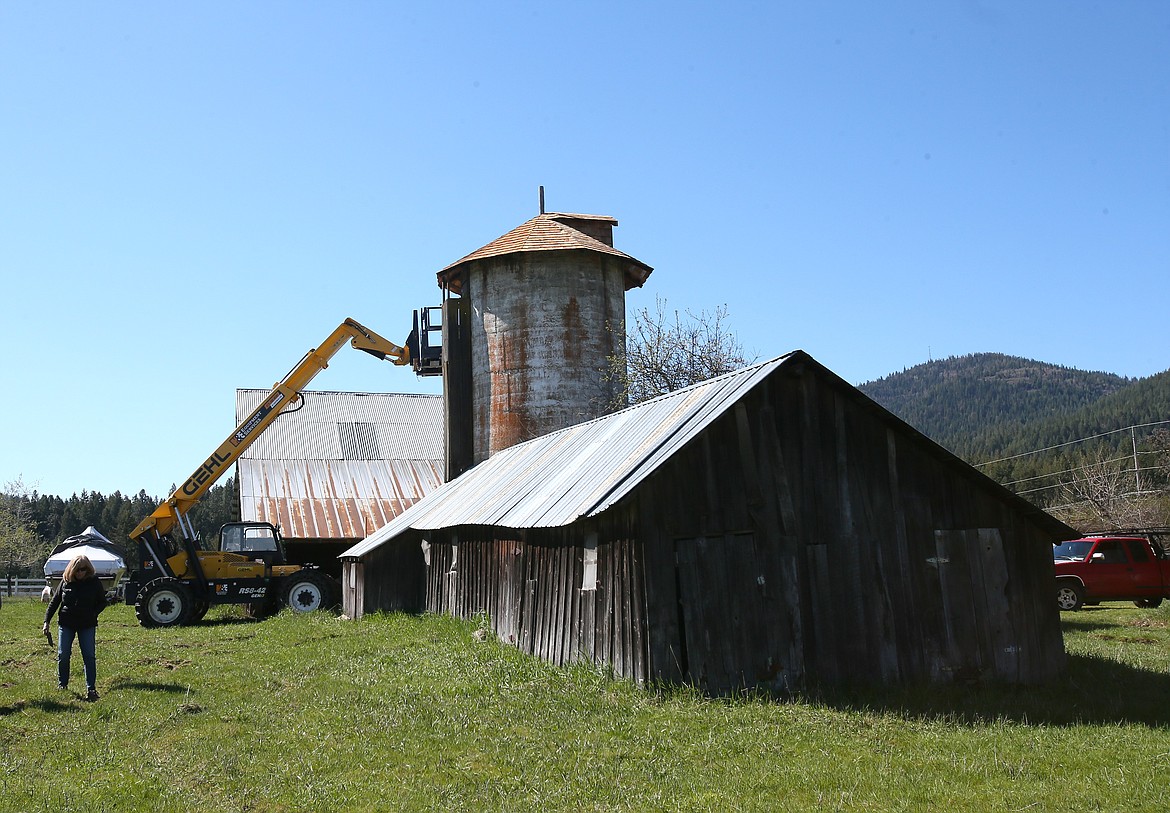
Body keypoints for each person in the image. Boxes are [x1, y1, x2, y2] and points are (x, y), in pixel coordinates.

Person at [42, 554, 109, 701]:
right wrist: (46, 621)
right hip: (66, 623)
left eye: (83, 569)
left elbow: (102, 602)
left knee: (89, 656)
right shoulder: (66, 582)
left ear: (88, 569)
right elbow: (54, 602)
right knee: (63, 654)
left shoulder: (94, 582)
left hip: (87, 624)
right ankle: (62, 685)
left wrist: (93, 613)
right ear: (72, 570)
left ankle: (91, 689)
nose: (80, 573)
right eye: (77, 570)